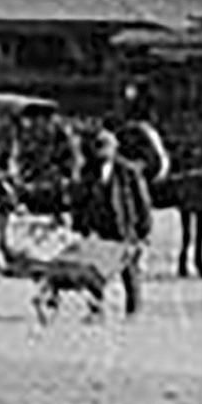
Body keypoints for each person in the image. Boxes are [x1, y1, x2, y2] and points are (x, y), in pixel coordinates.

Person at [71, 126, 155, 316]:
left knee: (130, 272)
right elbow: (80, 200)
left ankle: (133, 311)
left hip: (123, 229)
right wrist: (80, 224)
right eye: (98, 147)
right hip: (98, 229)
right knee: (94, 271)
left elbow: (143, 203)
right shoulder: (88, 171)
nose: (102, 151)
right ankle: (96, 309)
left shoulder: (129, 171)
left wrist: (144, 231)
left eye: (106, 146)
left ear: (114, 148)